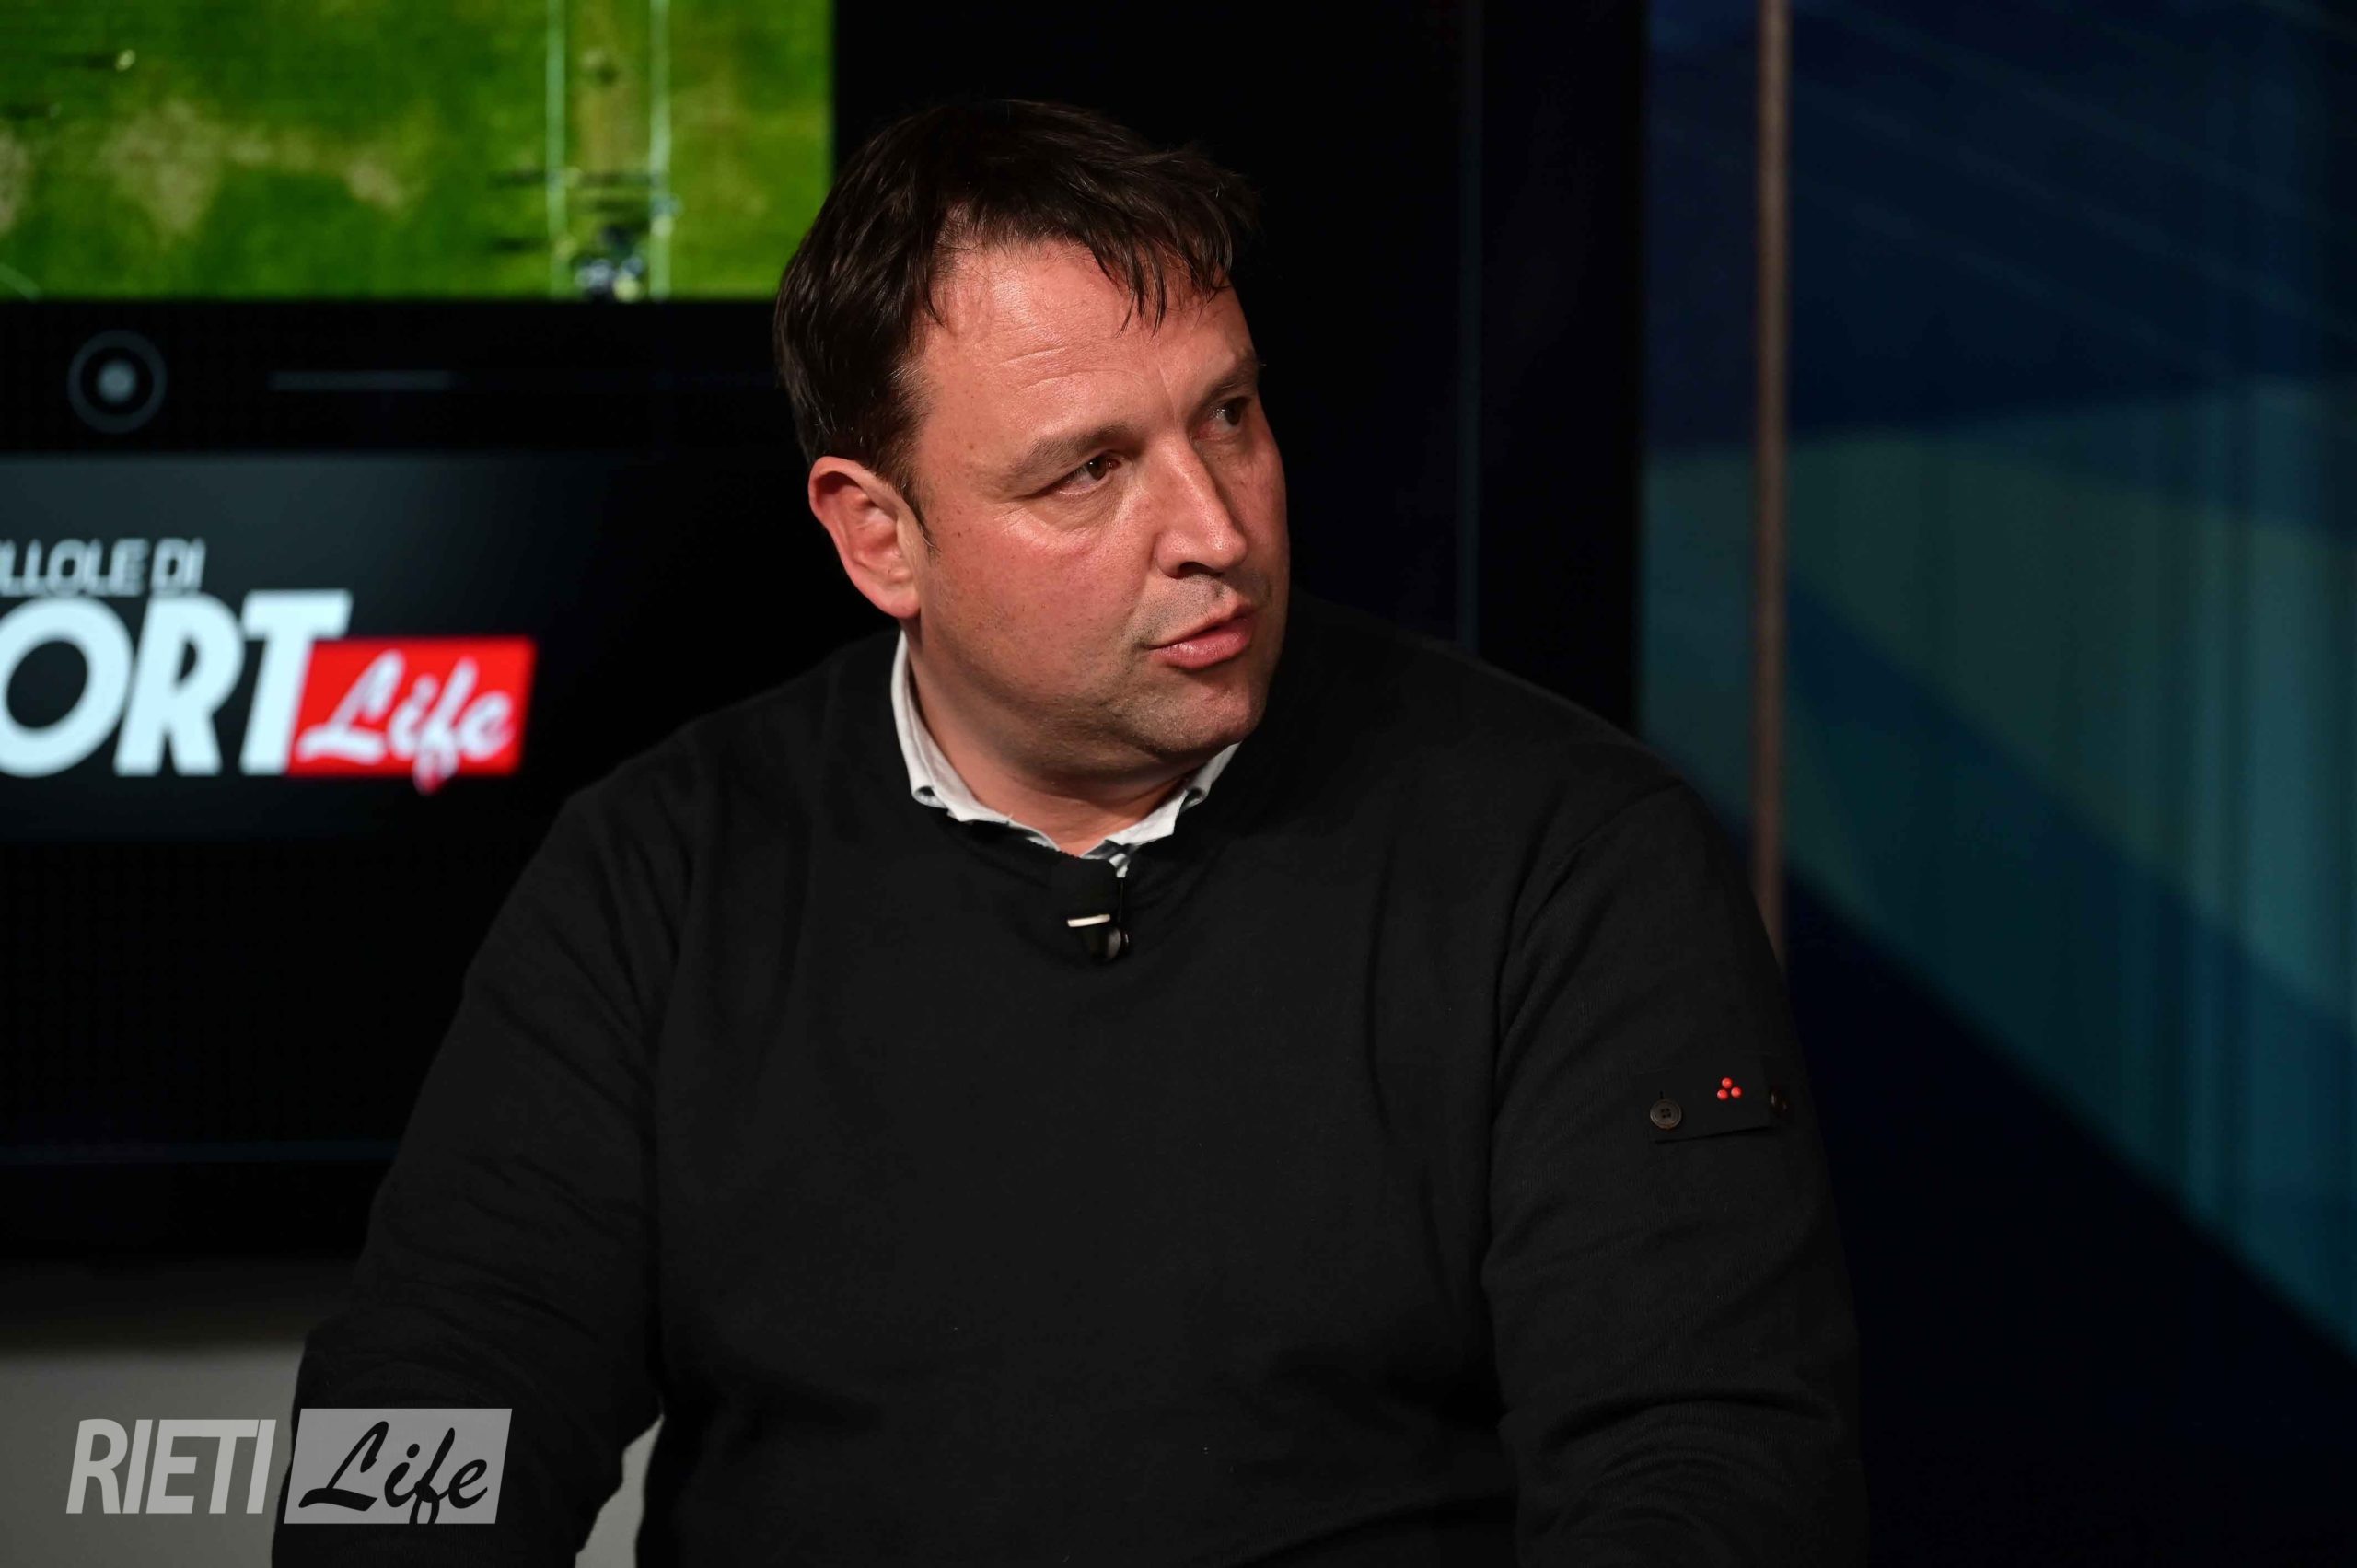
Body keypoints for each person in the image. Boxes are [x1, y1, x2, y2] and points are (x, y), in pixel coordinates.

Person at [278, 99, 1867, 1565]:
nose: (1216, 529)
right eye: (1088, 472)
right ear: (879, 537)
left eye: (1229, 414)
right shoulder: (660, 877)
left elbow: (1710, 1461)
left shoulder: (1570, 858)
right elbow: (427, 1411)